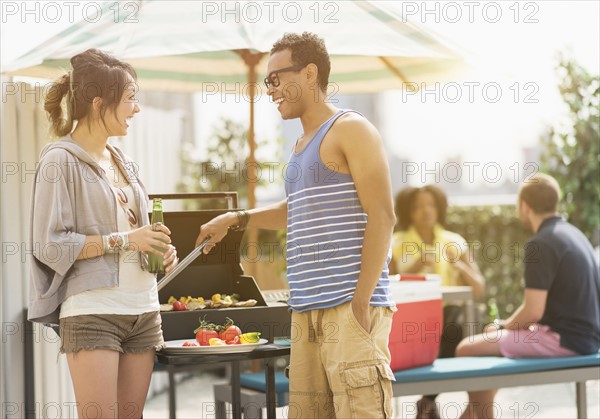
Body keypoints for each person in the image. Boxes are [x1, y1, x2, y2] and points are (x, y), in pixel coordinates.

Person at [195, 32, 397, 418]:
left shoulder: (351, 129)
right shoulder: (301, 145)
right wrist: (237, 219)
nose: (269, 90)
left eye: (275, 78)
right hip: (306, 311)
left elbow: (383, 216)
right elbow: (298, 209)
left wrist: (360, 301)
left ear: (309, 73)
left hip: (348, 307)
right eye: (265, 81)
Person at [29, 49, 179, 419]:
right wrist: (127, 240)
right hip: (94, 311)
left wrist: (158, 250)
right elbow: (49, 245)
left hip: (143, 310)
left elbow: (136, 234)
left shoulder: (122, 161)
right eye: (130, 99)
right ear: (99, 103)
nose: (137, 109)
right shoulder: (58, 160)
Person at [455, 173, 600, 419]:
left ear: (524, 206)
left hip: (563, 340)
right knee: (490, 350)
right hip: (586, 338)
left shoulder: (541, 243)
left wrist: (504, 326)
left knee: (467, 349)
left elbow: (533, 311)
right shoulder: (575, 235)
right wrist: (506, 329)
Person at [390, 185, 485, 418]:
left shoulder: (454, 242)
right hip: (411, 320)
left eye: (431, 205)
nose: (426, 211)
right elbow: (386, 285)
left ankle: (427, 400)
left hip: (450, 318)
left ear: (439, 209)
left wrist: (460, 266)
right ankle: (428, 401)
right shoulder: (395, 243)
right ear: (408, 212)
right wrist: (416, 267)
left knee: (457, 322)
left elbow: (479, 289)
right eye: (418, 207)